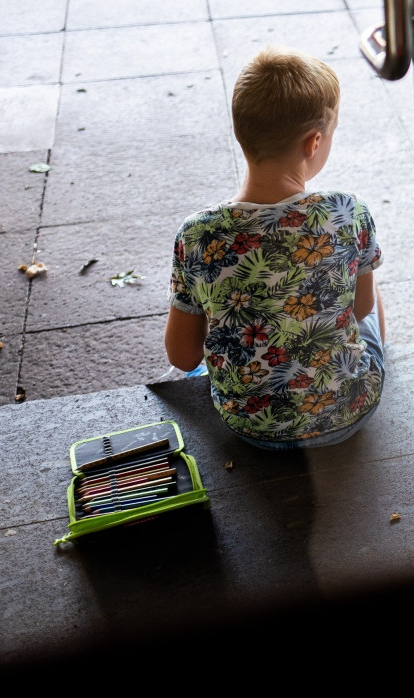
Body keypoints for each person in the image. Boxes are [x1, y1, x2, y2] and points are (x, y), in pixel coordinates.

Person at [164, 45, 386, 450]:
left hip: (250, 428)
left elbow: (182, 357)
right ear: (314, 142)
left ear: (240, 131)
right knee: (366, 287)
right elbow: (361, 309)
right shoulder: (347, 210)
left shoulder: (197, 234)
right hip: (350, 411)